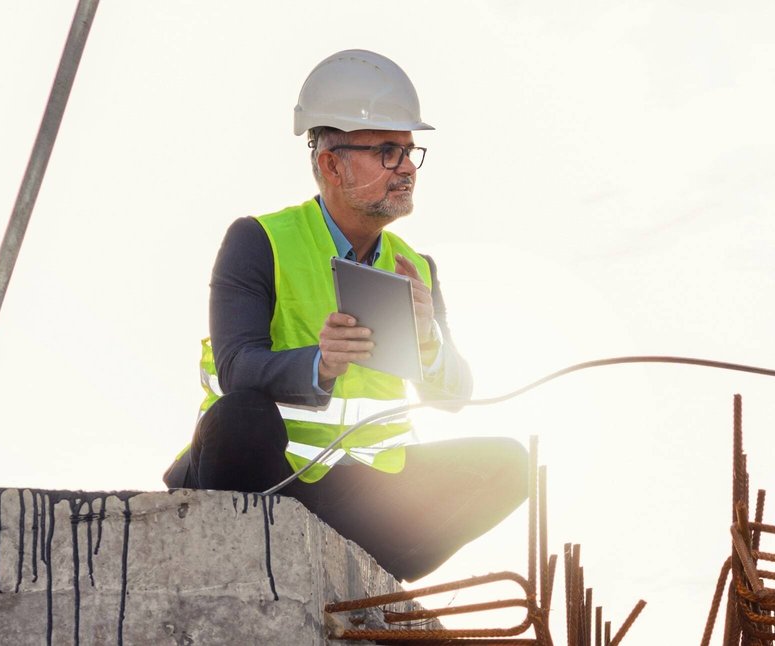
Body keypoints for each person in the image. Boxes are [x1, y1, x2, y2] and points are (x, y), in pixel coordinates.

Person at [165, 49, 527, 581]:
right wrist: (320, 364)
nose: (406, 167)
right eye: (386, 150)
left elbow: (454, 398)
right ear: (332, 163)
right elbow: (236, 366)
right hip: (267, 472)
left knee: (508, 466)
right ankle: (265, 551)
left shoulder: (417, 268)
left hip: (362, 494)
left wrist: (427, 340)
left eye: (409, 151)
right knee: (239, 416)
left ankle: (363, 563)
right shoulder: (258, 240)